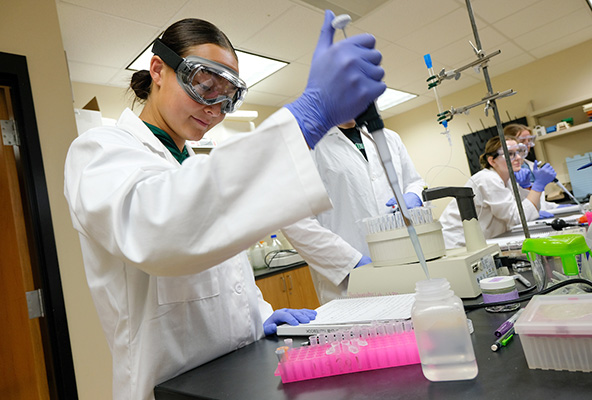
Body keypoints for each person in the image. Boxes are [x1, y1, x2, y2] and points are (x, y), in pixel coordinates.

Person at [64, 12, 385, 400]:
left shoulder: (196, 166)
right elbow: (158, 229)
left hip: (238, 379)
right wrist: (305, 119)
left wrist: (261, 315)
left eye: (227, 98)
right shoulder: (99, 151)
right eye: (204, 85)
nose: (214, 108)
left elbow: (225, 273)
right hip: (166, 389)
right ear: (158, 70)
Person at [282, 120, 425, 303]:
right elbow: (295, 220)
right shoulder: (306, 145)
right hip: (348, 281)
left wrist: (414, 194)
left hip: (403, 262)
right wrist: (351, 262)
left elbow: (415, 181)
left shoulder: (389, 138)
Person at [439, 136, 556, 249]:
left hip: (483, 240)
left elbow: (527, 210)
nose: (518, 158)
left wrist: (527, 187)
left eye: (519, 152)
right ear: (492, 161)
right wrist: (538, 186)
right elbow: (517, 217)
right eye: (510, 154)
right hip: (457, 244)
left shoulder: (507, 180)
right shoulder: (487, 179)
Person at [504, 123, 559, 216]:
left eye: (529, 140)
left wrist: (556, 207)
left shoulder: (532, 166)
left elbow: (539, 200)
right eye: (522, 140)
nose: (527, 144)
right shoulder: (506, 170)